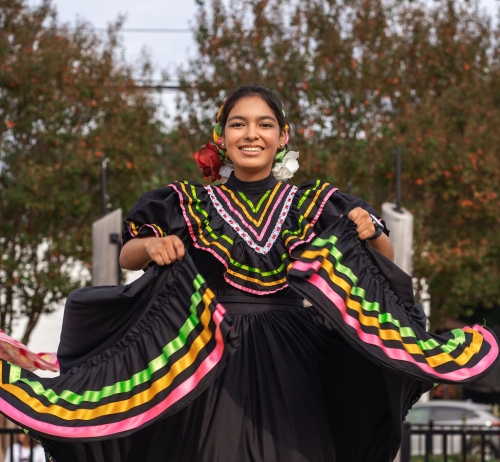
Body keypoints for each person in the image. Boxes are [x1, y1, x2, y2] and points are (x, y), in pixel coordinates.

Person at [0, 85, 497, 462]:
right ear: (222, 137)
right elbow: (129, 253)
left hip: (295, 354)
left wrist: (369, 228)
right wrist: (154, 243)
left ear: (283, 138)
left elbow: (383, 253)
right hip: (206, 351)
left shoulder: (315, 201)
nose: (251, 134)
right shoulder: (183, 201)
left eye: (263, 125)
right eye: (238, 125)